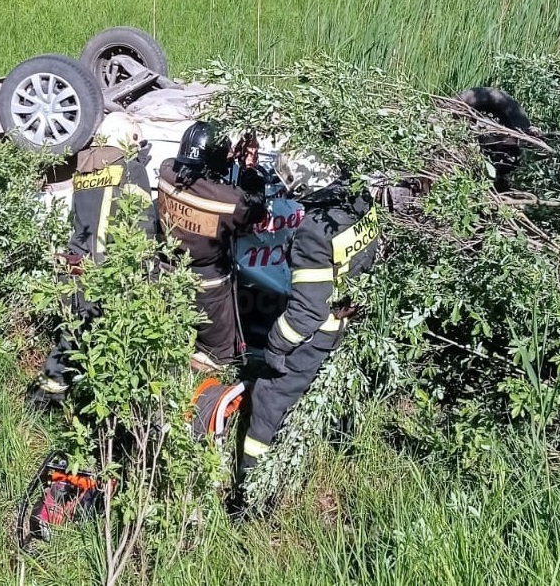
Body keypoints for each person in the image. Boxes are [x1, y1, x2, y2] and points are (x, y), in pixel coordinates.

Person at [235, 149, 379, 500]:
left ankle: (252, 494)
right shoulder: (360, 197)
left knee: (269, 399)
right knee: (342, 387)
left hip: (324, 330)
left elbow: (308, 313)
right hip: (357, 315)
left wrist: (276, 345)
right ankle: (345, 449)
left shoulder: (313, 233)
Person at [28, 113, 156, 406]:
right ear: (128, 139)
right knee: (94, 339)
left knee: (73, 335)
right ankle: (50, 401)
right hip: (104, 272)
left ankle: (48, 396)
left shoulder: (85, 169)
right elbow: (142, 227)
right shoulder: (131, 171)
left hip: (74, 267)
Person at [159, 121, 266, 371]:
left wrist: (223, 156)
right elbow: (254, 208)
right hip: (209, 284)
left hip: (168, 269)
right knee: (219, 352)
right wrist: (249, 167)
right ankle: (207, 386)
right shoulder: (228, 201)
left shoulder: (165, 172)